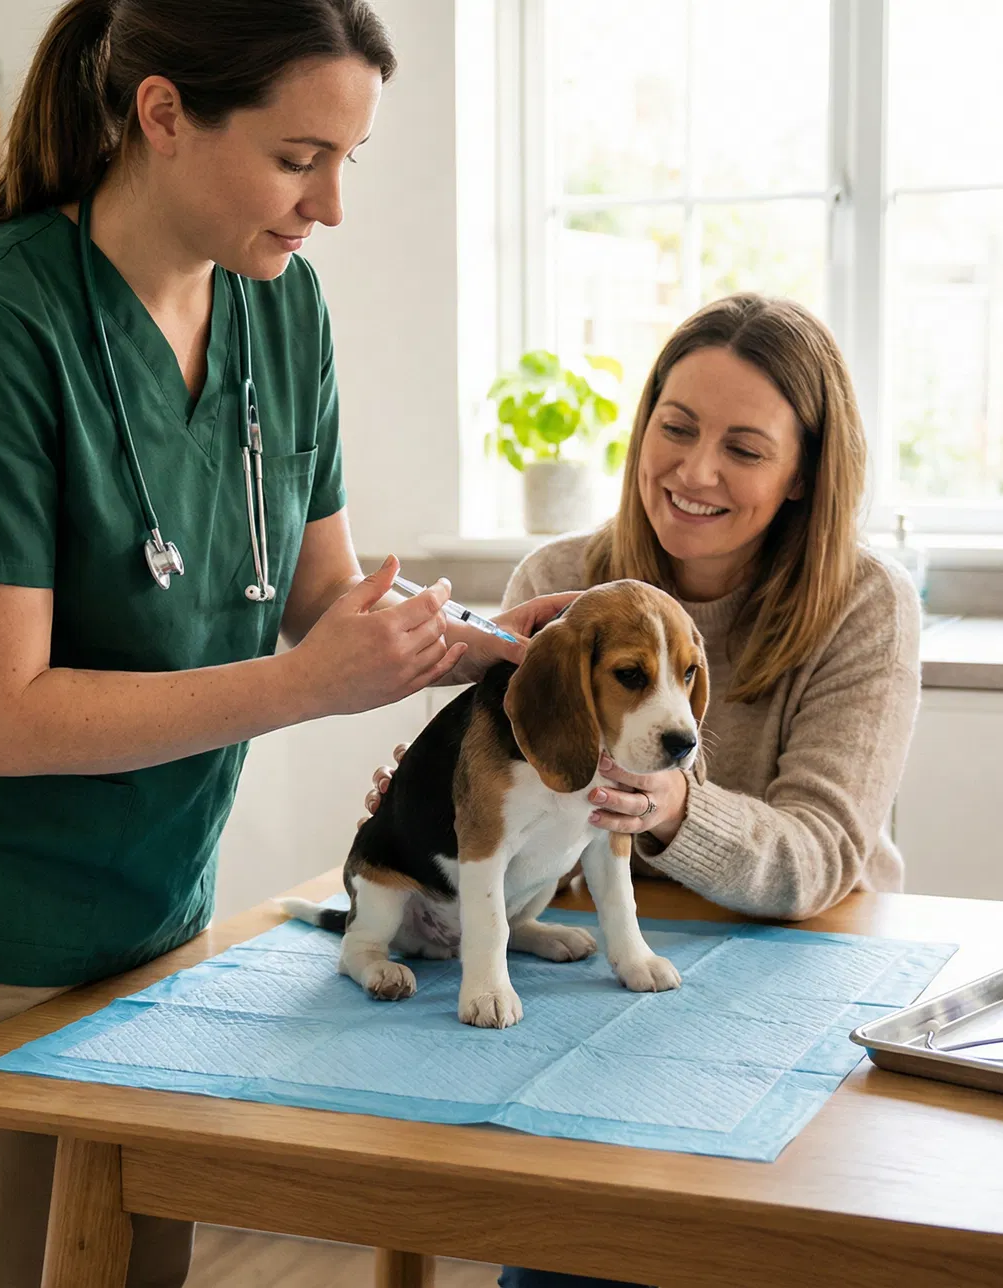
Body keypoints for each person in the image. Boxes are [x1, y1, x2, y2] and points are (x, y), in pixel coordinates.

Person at [0, 3, 574, 1285]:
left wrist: (489, 644)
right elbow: (0, 719)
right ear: (163, 115)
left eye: (347, 161)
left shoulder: (283, 306)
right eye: (296, 157)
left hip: (151, 902)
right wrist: (299, 688)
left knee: (127, 1266)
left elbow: (320, 593)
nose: (328, 204)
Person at [362, 293, 923, 1288]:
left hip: (802, 979)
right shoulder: (563, 580)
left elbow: (826, 852)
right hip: (590, 999)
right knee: (573, 1262)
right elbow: (515, 777)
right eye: (676, 426)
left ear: (803, 477)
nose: (695, 470)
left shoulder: (864, 606)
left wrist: (674, 807)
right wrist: (456, 809)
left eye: (746, 448)